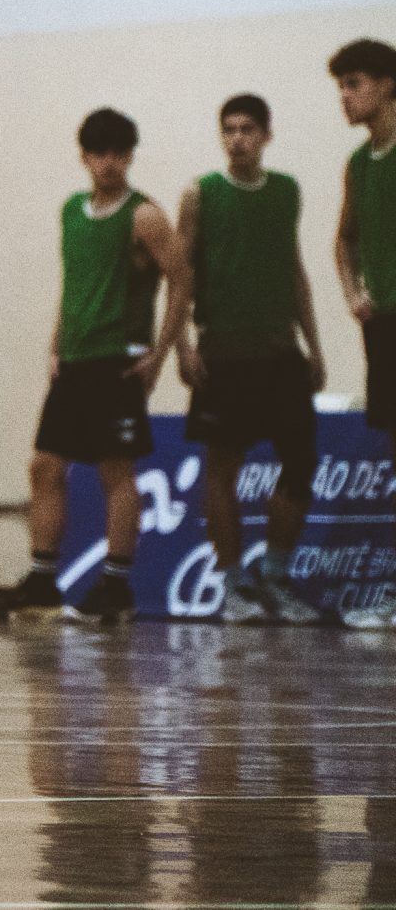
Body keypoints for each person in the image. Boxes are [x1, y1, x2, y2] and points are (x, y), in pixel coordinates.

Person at [0, 109, 188, 625]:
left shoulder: (144, 216)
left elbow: (182, 279)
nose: (109, 162)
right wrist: (55, 345)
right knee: (45, 466)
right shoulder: (71, 212)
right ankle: (43, 580)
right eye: (99, 152)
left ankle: (116, 585)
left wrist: (161, 352)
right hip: (75, 360)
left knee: (115, 471)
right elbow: (74, 284)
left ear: (130, 156)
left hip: (117, 361)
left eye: (119, 153)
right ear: (84, 157)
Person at [174, 94, 325, 624]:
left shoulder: (286, 191)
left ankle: (276, 578)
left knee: (301, 464)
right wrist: (182, 345)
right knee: (222, 469)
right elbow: (181, 274)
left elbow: (294, 269)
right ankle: (235, 584)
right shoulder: (200, 193)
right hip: (224, 355)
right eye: (229, 129)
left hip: (281, 352)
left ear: (266, 135)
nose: (237, 138)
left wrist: (315, 345)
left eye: (247, 129)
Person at [331, 38, 396, 629]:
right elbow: (345, 238)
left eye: (354, 84)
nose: (345, 97)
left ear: (387, 85)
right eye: (341, 87)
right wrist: (354, 292)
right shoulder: (358, 164)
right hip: (385, 326)